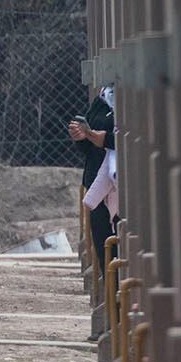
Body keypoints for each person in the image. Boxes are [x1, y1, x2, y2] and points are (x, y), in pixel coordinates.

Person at [69, 83, 116, 271]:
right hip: (98, 181)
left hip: (119, 182)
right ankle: (112, 294)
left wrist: (107, 140)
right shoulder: (102, 99)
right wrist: (82, 136)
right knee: (103, 244)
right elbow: (88, 144)